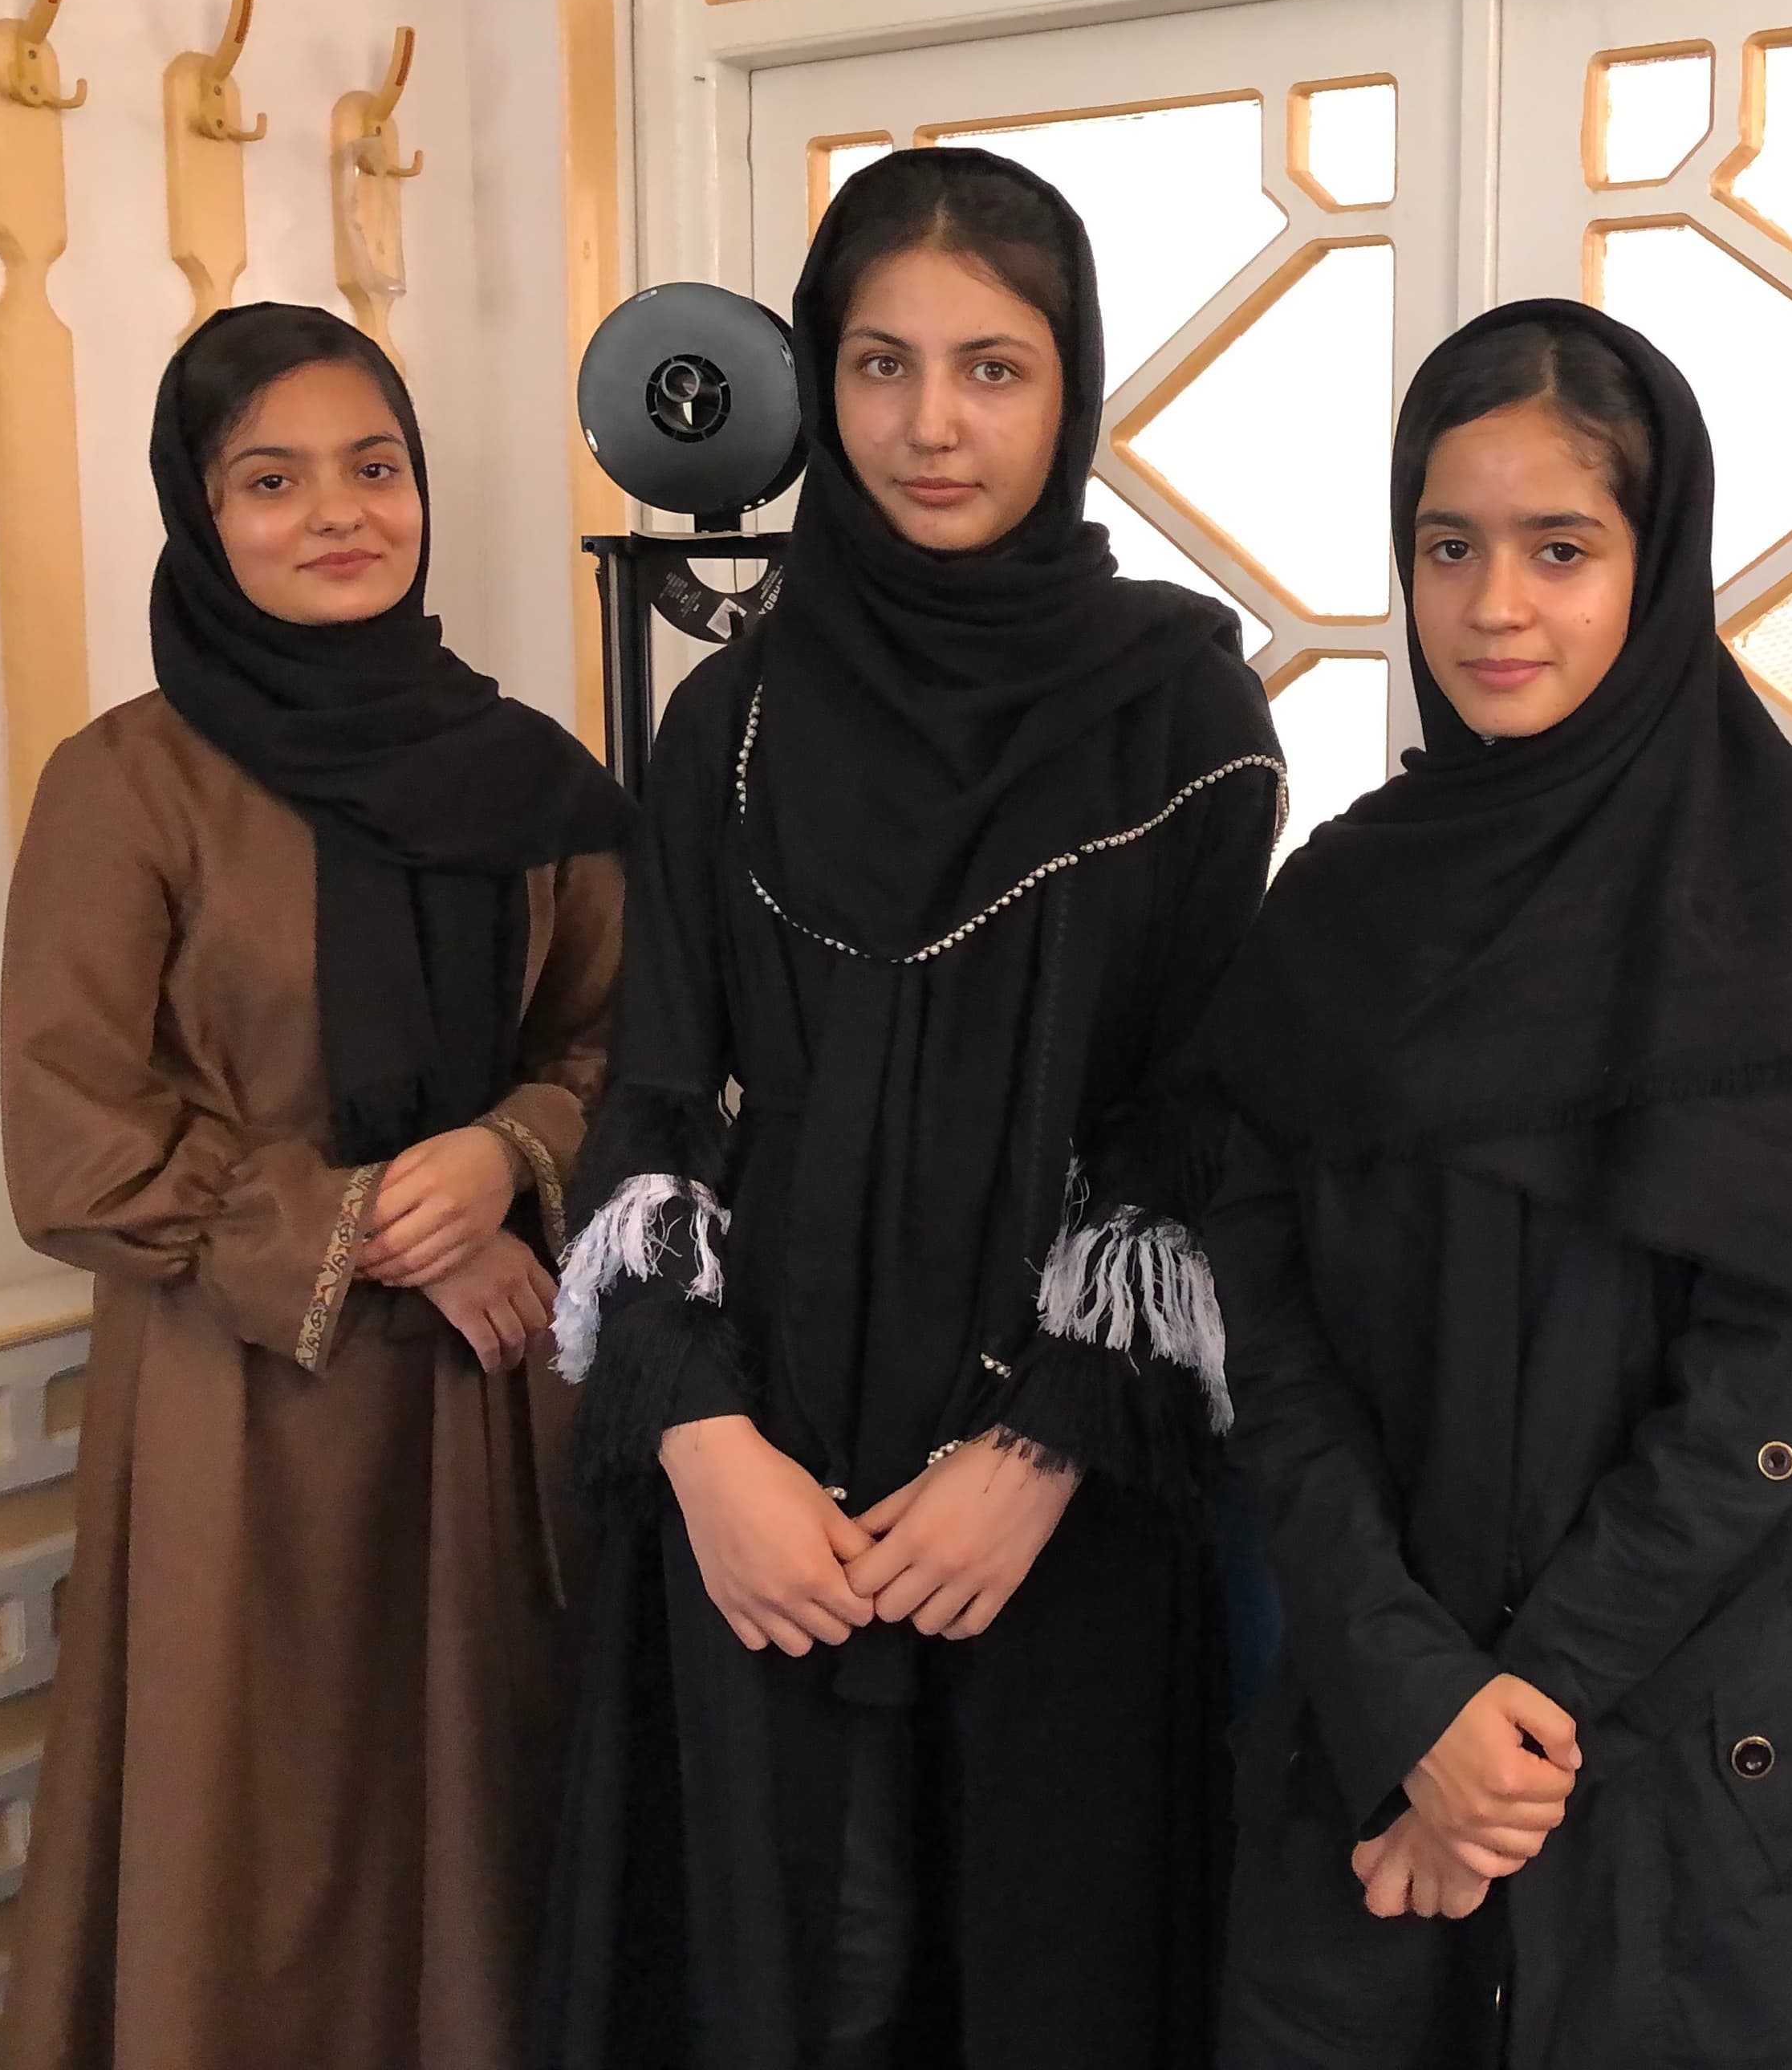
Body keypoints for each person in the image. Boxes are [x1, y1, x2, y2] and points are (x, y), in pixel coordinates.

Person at [534, 147, 1283, 2070]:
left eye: (993, 368)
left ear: (1073, 383)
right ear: (817, 381)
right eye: (879, 366)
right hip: (765, 1489)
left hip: (1046, 1498)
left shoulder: (1182, 718)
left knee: (1039, 1964)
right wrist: (706, 1448)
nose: (931, 425)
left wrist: (1036, 1455)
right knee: (790, 1971)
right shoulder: (740, 714)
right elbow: (656, 1100)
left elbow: (1197, 1135)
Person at [1205, 300, 1792, 2070]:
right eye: (1448, 548)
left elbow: (1786, 1385)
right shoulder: (1339, 910)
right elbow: (1266, 1339)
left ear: (1658, 560)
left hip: (1683, 1779)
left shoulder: (1764, 902)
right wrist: (1416, 1700)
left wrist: (1513, 1723)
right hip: (1371, 1748)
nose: (1493, 608)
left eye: (1561, 548)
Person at [0, 303, 632, 2070]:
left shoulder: (529, 778)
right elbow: (72, 1134)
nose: (340, 513)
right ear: (201, 516)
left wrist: (506, 1155)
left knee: (495, 1805)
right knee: (259, 1837)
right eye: (272, 481)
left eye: (377, 468)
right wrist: (371, 1231)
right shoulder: (127, 786)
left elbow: (617, 1049)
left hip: (503, 1406)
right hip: (247, 1413)